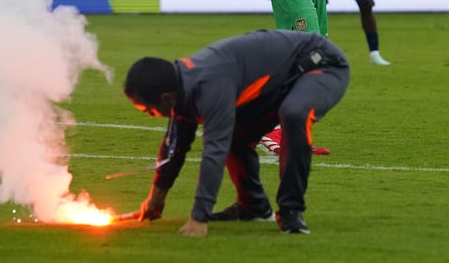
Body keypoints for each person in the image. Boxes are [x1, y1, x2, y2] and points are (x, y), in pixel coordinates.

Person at [124, 29, 350, 237]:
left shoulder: (209, 87)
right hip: (280, 80)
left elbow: (214, 153)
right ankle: (254, 207)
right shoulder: (181, 88)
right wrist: (154, 202)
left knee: (293, 113)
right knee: (235, 134)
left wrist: (199, 217)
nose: (151, 115)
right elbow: (173, 149)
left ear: (165, 98)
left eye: (148, 110)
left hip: (322, 64)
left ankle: (291, 210)